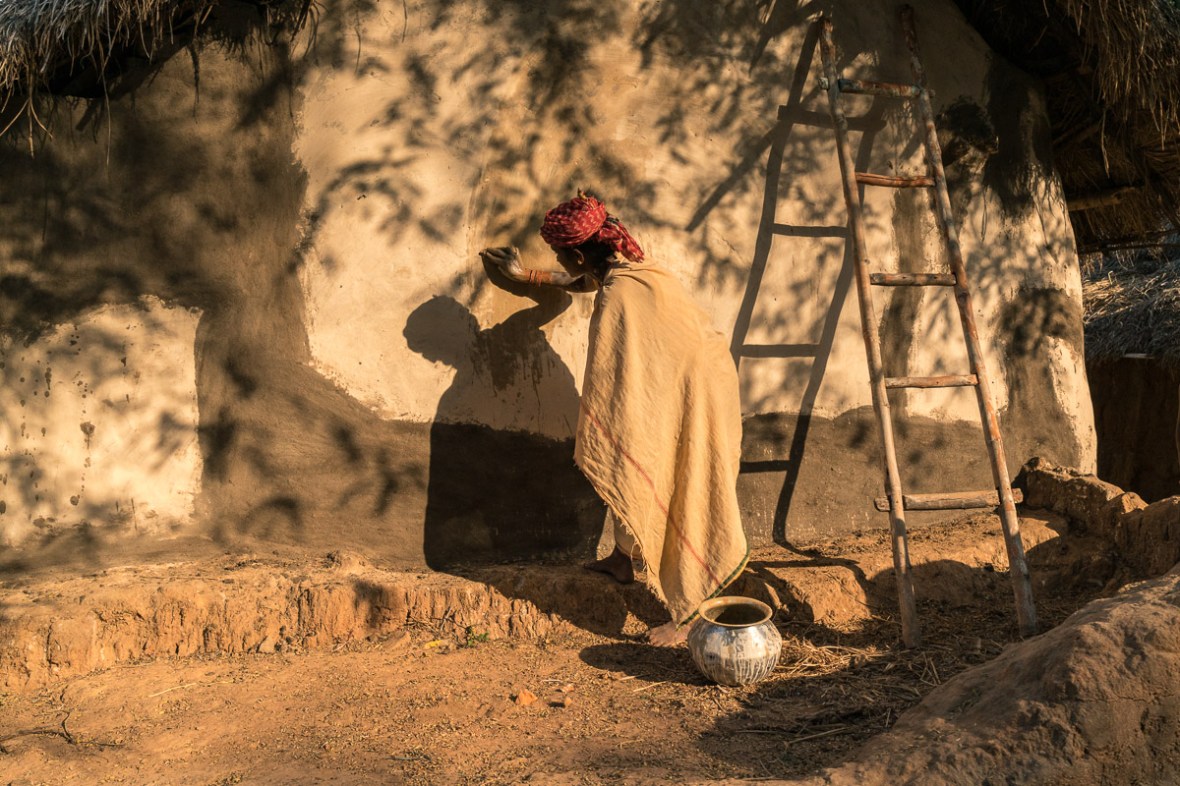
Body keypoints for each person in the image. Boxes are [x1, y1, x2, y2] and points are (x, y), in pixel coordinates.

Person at [480, 192, 749, 646]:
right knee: (640, 460)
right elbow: (584, 282)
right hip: (706, 375)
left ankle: (692, 614)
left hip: (697, 390)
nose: (560, 261)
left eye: (561, 255)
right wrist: (526, 275)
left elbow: (615, 380)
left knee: (674, 475)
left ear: (580, 252)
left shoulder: (620, 294)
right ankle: (623, 558)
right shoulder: (632, 270)